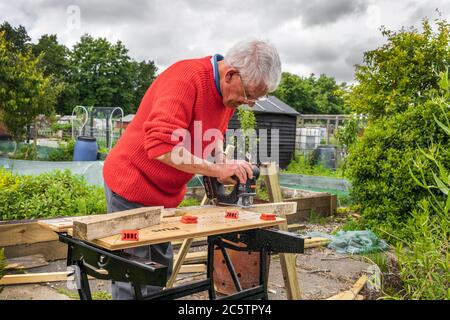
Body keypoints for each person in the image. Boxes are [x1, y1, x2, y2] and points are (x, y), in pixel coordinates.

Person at [102, 39, 282, 299]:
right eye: (249, 95)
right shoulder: (185, 79)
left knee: (159, 271)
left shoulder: (227, 95)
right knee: (134, 278)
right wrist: (216, 171)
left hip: (164, 195)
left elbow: (215, 132)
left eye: (254, 98)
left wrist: (220, 158)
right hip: (131, 183)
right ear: (230, 74)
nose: (249, 103)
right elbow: (161, 146)